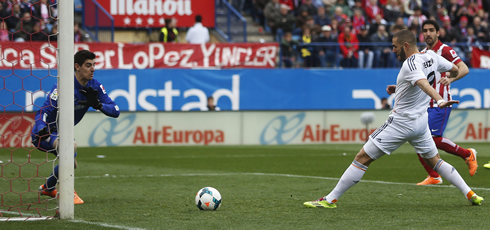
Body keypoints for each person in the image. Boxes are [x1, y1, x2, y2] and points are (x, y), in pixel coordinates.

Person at [303, 29, 484, 209]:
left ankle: (330, 199)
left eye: (395, 47)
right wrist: (402, 88)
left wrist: (440, 99)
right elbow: (454, 69)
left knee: (362, 157)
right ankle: (471, 194)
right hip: (420, 123)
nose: (393, 50)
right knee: (435, 161)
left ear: (406, 45)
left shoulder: (410, 64)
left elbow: (421, 82)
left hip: (401, 123)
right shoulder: (431, 57)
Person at [32, 50, 120, 204]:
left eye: (94, 65)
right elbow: (44, 110)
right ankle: (68, 191)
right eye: (88, 65)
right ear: (77, 66)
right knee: (70, 147)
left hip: (63, 133)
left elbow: (116, 111)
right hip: (45, 133)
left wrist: (98, 105)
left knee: (71, 163)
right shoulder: (63, 85)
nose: (93, 69)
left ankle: (48, 187)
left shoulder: (95, 86)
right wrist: (41, 127)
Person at [415, 20, 476, 185]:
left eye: (431, 30)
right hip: (424, 104)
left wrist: (451, 79)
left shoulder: (445, 50)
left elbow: (464, 68)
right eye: (425, 30)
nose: (428, 33)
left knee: (433, 139)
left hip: (440, 103)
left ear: (438, 33)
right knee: (416, 138)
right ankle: (434, 176)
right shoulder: (423, 53)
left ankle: (467, 154)